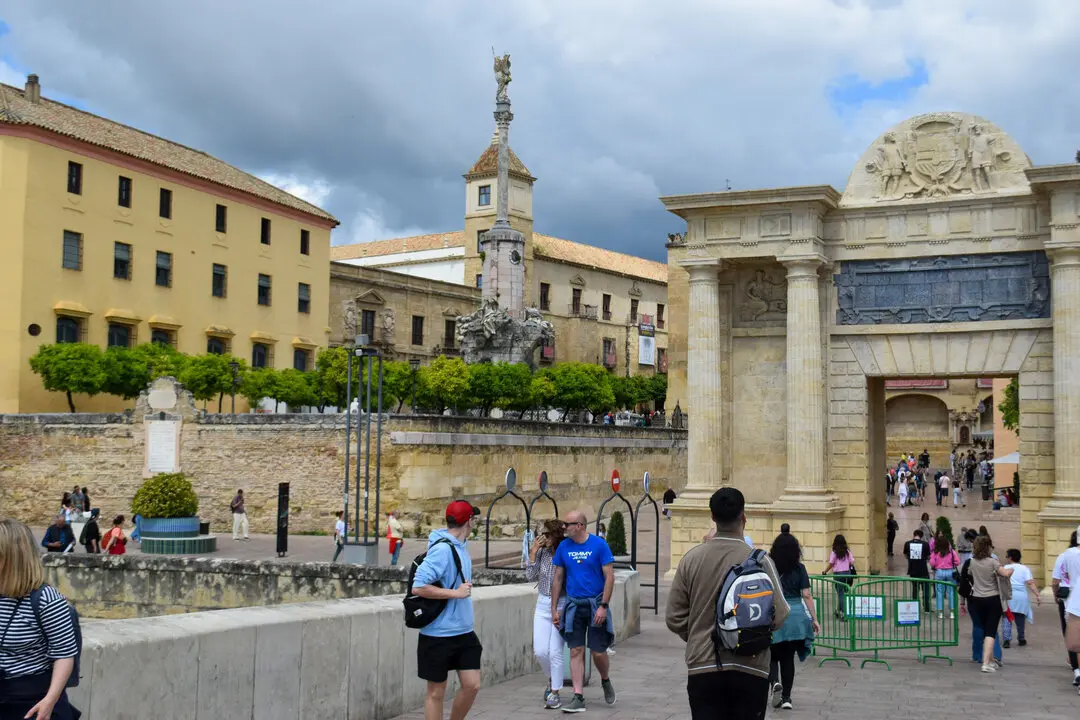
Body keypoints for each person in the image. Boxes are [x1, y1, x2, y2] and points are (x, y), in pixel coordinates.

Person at [666, 488, 789, 719]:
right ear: (744, 517)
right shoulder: (762, 561)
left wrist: (698, 635)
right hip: (751, 667)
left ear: (712, 517)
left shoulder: (691, 559)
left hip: (704, 664)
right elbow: (781, 614)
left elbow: (674, 617)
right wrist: (751, 636)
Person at [0, 520, 81, 720]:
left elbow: (64, 655)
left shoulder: (47, 600)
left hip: (33, 702)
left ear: (12, 558)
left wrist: (50, 701)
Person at [410, 500, 482, 720]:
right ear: (468, 521)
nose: (475, 523)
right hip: (438, 634)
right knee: (436, 691)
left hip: (464, 631)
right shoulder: (442, 549)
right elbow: (418, 585)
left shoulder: (461, 545)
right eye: (474, 519)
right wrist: (456, 593)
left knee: (472, 685)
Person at [551, 510, 617, 713]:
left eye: (567, 524)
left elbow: (609, 577)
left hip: (595, 604)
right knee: (575, 650)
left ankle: (605, 679)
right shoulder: (563, 547)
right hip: (573, 606)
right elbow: (558, 579)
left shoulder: (599, 545)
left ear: (579, 525)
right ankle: (578, 696)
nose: (564, 527)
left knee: (598, 652)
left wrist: (603, 606)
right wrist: (555, 608)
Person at [767, 532, 819, 711]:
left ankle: (774, 682)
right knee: (788, 658)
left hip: (775, 613)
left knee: (772, 654)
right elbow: (806, 594)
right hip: (795, 616)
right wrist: (814, 619)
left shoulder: (769, 567)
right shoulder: (800, 568)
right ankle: (787, 698)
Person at [525, 519, 566, 710]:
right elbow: (530, 576)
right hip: (542, 603)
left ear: (556, 535)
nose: (544, 538)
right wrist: (532, 552)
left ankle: (555, 692)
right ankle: (552, 678)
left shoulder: (565, 553)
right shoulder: (541, 552)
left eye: (548, 534)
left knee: (555, 651)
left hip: (561, 604)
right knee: (541, 651)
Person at [961, 535, 1013, 672]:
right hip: (992, 599)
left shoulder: (971, 562)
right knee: (990, 632)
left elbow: (968, 578)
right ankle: (987, 662)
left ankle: (985, 659)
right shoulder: (993, 562)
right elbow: (1005, 574)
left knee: (980, 627)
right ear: (988, 547)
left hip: (976, 599)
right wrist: (1011, 569)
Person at [1052, 530, 1080, 687]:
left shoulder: (1064, 556)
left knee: (1071, 635)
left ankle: (1077, 671)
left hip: (1069, 599)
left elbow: (1056, 581)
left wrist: (1056, 595)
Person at [1001, 548, 1040, 648]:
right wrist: (1037, 594)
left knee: (1007, 617)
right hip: (1021, 596)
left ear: (1010, 557)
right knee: (1020, 618)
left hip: (1008, 595)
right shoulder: (1024, 568)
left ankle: (1006, 639)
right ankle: (1021, 638)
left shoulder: (1005, 567)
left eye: (1006, 556)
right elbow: (1030, 583)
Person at [823, 534, 856, 620]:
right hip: (847, 574)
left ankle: (843, 613)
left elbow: (831, 563)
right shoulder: (847, 552)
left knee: (840, 593)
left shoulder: (834, 553)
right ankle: (838, 610)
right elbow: (852, 562)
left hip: (838, 575)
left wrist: (825, 571)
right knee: (842, 594)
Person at [929, 533, 960, 619]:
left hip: (939, 573)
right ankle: (952, 612)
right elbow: (957, 562)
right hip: (950, 572)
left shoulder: (936, 552)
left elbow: (932, 563)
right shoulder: (952, 552)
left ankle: (940, 613)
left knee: (939, 593)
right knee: (951, 592)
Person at [904, 529, 932, 614]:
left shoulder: (907, 544)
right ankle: (926, 608)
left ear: (914, 534)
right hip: (923, 570)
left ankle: (914, 608)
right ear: (922, 536)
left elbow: (905, 555)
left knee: (915, 590)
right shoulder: (925, 544)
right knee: (925, 590)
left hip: (913, 570)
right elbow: (928, 557)